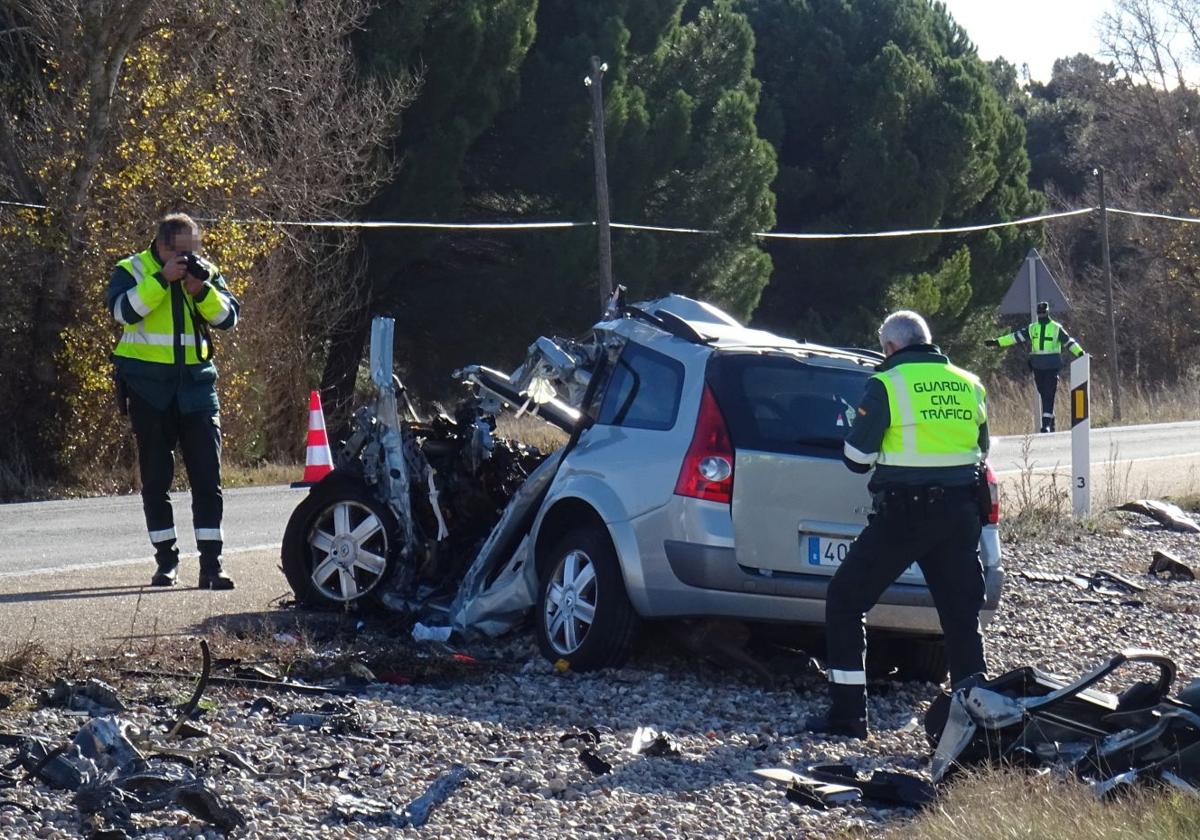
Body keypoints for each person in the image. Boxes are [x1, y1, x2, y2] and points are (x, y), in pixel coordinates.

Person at [806, 310, 989, 740]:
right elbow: (980, 449)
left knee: (846, 600)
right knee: (961, 617)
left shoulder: (886, 384)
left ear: (890, 347)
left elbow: (856, 460)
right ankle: (975, 720)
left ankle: (849, 714)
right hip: (961, 512)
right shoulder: (969, 383)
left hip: (905, 514)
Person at [106, 213, 240, 589]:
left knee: (207, 477)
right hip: (149, 389)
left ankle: (212, 565)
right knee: (155, 479)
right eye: (182, 252)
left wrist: (202, 291)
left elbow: (229, 318)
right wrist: (161, 281)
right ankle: (166, 561)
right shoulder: (132, 269)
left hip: (196, 387)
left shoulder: (205, 272)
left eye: (194, 249)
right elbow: (122, 312)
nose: (190, 258)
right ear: (163, 247)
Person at [985, 301, 1083, 432]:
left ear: (1047, 312)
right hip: (1038, 366)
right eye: (1039, 313)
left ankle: (1046, 425)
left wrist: (1080, 353)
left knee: (1049, 393)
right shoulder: (1033, 328)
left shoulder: (1055, 327)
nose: (1041, 315)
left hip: (1052, 366)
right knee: (1043, 393)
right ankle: (1050, 418)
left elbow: (1069, 342)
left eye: (1043, 312)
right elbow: (1015, 337)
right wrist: (997, 342)